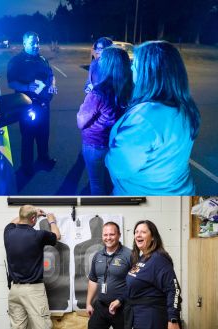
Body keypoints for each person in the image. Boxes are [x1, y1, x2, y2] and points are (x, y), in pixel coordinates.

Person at [106, 41, 201, 195]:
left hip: (143, 196)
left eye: (135, 64)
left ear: (148, 72)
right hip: (179, 191)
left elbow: (119, 167)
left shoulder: (144, 118)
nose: (131, 68)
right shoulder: (185, 108)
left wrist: (109, 153)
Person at [77, 46, 132, 195]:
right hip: (117, 143)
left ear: (107, 64)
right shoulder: (130, 88)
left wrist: (85, 101)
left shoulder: (99, 92)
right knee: (113, 181)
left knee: (96, 185)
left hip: (95, 144)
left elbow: (81, 121)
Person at [113, 220, 181, 329]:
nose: (138, 235)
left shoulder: (159, 259)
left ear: (153, 237)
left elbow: (173, 290)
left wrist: (173, 319)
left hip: (152, 317)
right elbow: (135, 288)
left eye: (143, 232)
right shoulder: (142, 258)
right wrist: (120, 300)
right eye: (136, 232)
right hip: (137, 315)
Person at [7, 31, 58, 175]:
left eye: (37, 42)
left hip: (44, 104)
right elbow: (11, 83)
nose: (36, 45)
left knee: (44, 133)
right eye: (32, 43)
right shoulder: (16, 61)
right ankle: (27, 166)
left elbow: (51, 75)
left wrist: (53, 84)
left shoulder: (42, 59)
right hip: (27, 105)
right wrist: (26, 87)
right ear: (24, 44)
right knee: (28, 136)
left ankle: (43, 158)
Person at [4, 205, 61, 329]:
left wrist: (31, 213)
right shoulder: (38, 235)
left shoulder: (8, 232)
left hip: (14, 291)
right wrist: (51, 220)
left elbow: (13, 222)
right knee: (42, 326)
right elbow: (57, 236)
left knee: (17, 327)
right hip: (33, 290)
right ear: (34, 219)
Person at [86, 222, 132, 329]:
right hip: (101, 306)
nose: (108, 238)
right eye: (105, 235)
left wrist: (120, 300)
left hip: (122, 308)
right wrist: (88, 303)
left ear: (119, 235)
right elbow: (93, 280)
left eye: (112, 234)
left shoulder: (129, 255)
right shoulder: (98, 256)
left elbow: (136, 284)